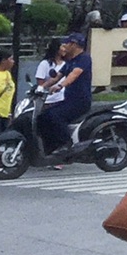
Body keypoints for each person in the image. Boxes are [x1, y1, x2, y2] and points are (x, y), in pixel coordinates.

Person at [37, 32, 91, 160]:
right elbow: (56, 77)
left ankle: (67, 144)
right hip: (68, 100)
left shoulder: (84, 58)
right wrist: (41, 87)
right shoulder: (70, 61)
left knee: (55, 116)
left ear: (74, 45)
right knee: (42, 117)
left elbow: (74, 75)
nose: (65, 45)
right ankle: (50, 147)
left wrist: (61, 86)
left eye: (67, 43)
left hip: (80, 102)